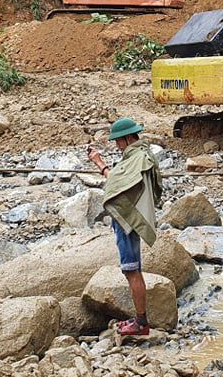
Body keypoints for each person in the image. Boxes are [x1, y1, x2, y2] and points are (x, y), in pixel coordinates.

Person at [86, 117, 163, 336]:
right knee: (132, 270)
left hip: (128, 219)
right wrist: (101, 164)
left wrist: (100, 164)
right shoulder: (141, 155)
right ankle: (139, 319)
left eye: (119, 141)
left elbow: (115, 184)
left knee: (132, 271)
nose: (117, 145)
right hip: (131, 217)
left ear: (129, 138)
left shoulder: (136, 158)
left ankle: (141, 323)